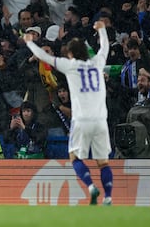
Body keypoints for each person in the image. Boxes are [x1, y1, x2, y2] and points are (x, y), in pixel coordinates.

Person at [23, 20, 113, 206]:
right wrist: (102, 30)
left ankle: (90, 186)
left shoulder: (70, 66)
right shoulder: (97, 62)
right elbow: (104, 47)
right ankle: (109, 197)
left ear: (71, 54)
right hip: (100, 120)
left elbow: (44, 57)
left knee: (75, 157)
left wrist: (29, 42)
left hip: (80, 120)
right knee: (103, 162)